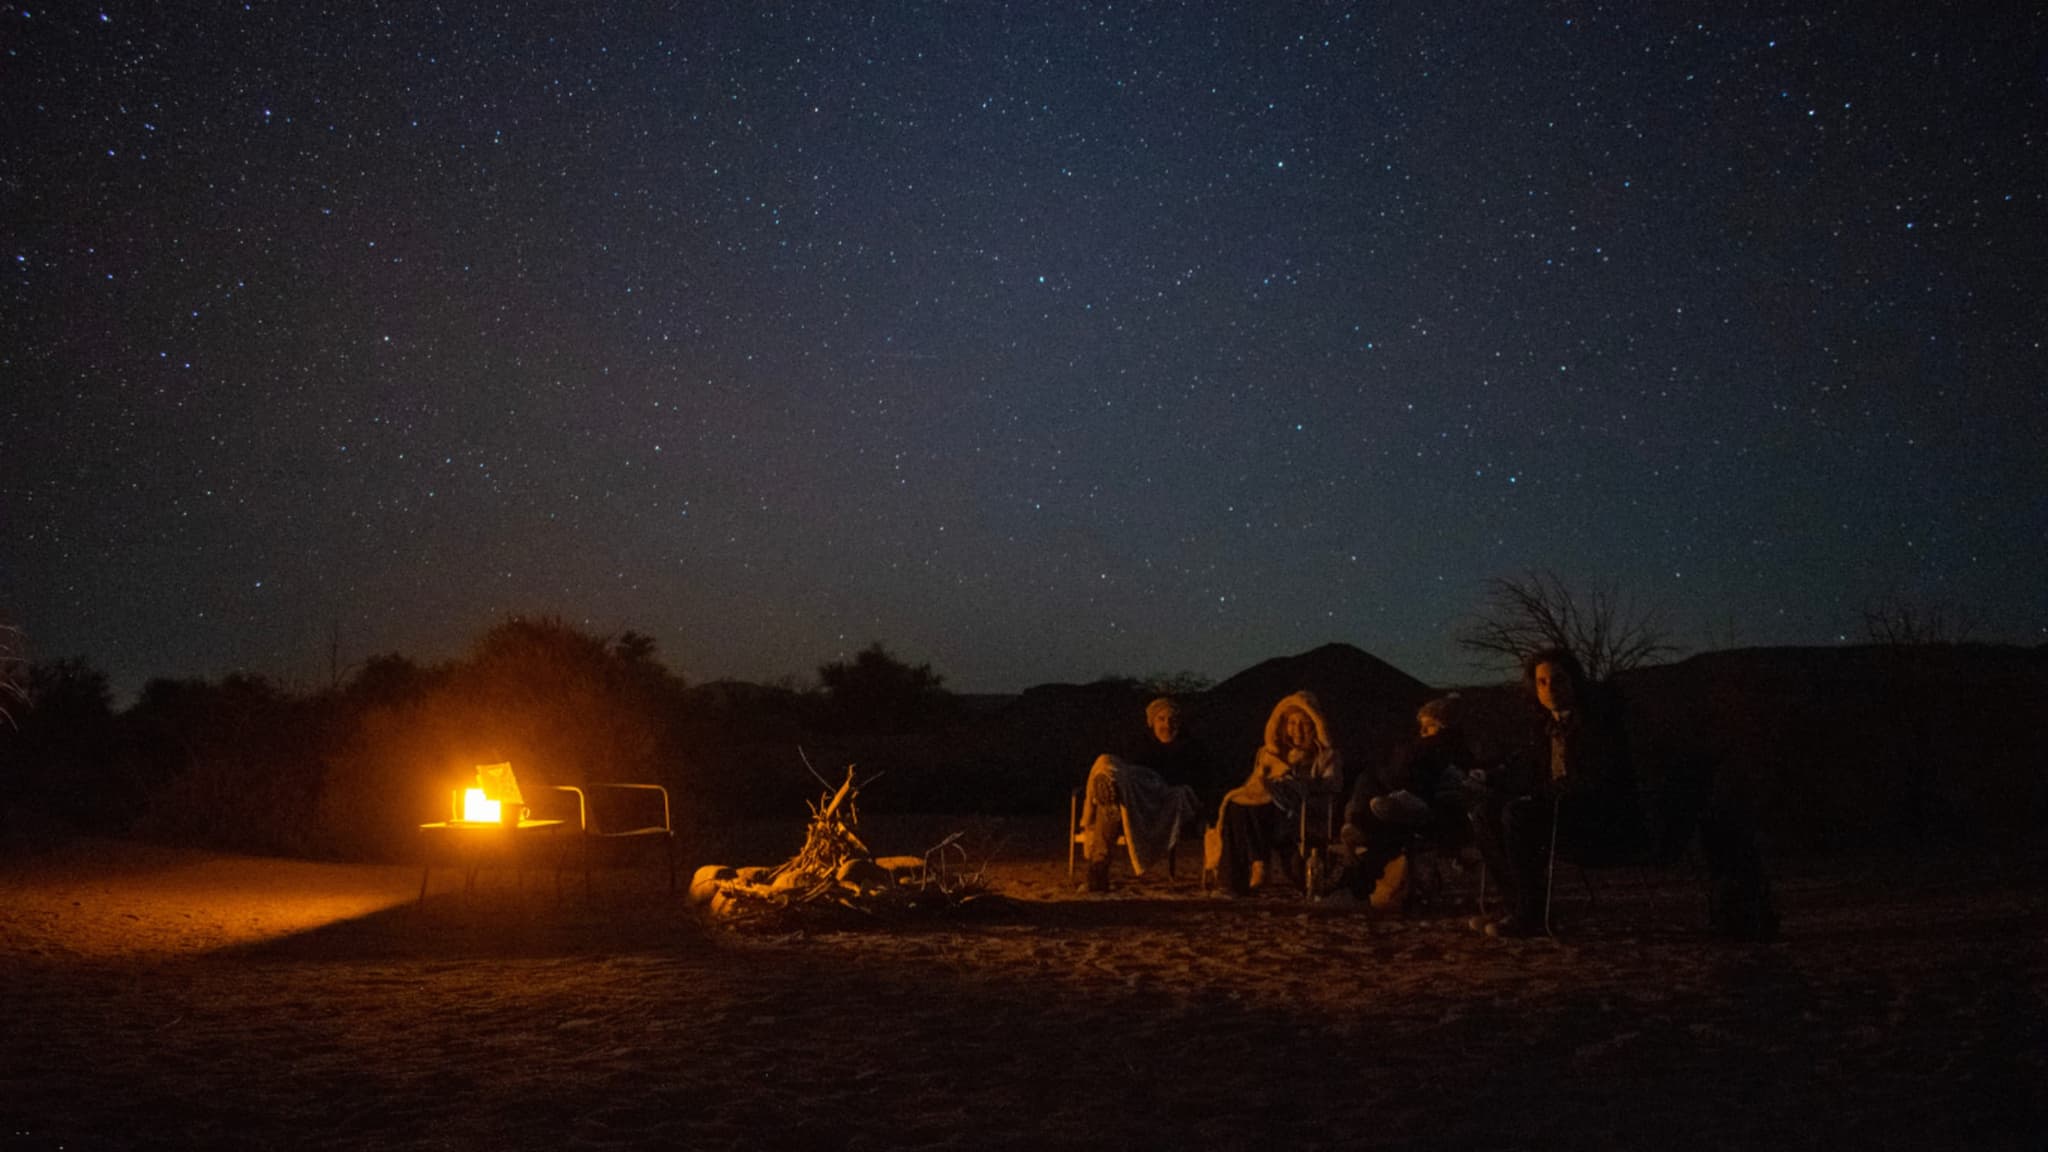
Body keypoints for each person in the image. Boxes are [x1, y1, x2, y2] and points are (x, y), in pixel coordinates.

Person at [1468, 647, 1646, 937]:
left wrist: (1543, 796)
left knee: (1519, 814)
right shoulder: (1545, 728)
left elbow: (1599, 780)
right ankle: (1516, 905)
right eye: (1542, 682)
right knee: (1485, 811)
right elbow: (1527, 771)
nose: (1550, 688)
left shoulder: (1598, 724)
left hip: (1597, 817)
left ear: (1574, 682)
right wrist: (1489, 779)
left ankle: (1529, 914)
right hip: (1555, 810)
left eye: (1558, 680)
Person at [1340, 694, 1473, 906]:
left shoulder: (1437, 748)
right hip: (1416, 805)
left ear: (1443, 726)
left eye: (1428, 726)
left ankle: (1357, 865)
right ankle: (1358, 875)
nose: (1422, 732)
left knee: (1372, 791)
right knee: (1382, 817)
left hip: (1428, 810)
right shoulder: (1442, 749)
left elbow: (1408, 775)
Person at [1213, 691, 1343, 896]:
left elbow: (1333, 785)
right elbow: (1253, 786)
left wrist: (1297, 783)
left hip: (1301, 814)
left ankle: (1258, 864)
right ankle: (1234, 882)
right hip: (1264, 814)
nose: (1297, 730)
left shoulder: (1325, 755)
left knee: (1250, 806)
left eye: (1304, 724)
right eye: (1292, 723)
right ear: (1283, 725)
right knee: (1236, 805)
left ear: (1314, 725)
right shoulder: (1269, 753)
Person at [1080, 696, 1210, 893]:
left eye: (1172, 719)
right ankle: (1099, 868)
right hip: (1133, 803)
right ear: (1152, 722)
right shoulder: (1140, 746)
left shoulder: (1191, 748)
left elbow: (1197, 784)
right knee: (1108, 773)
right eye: (1162, 719)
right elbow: (1130, 773)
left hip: (1162, 800)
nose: (1167, 724)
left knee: (1115, 789)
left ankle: (1098, 867)